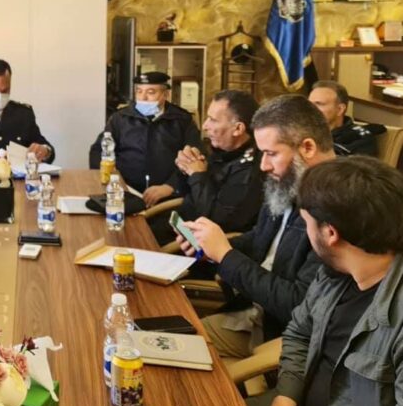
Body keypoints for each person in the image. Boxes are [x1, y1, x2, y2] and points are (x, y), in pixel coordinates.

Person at [248, 156, 403, 406]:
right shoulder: (335, 273)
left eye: (306, 223)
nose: (306, 232)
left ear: (330, 233)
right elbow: (300, 333)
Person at [177, 95, 335, 358]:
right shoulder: (293, 179)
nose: (263, 166)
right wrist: (210, 247)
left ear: (307, 147)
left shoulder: (336, 206)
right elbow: (260, 239)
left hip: (281, 339)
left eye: (271, 154)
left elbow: (298, 304)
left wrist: (226, 255)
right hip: (252, 312)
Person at [89, 71, 201, 207]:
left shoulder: (182, 120)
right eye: (139, 91)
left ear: (166, 94)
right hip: (124, 193)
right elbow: (98, 151)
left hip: (168, 197)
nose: (143, 97)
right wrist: (110, 180)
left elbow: (195, 159)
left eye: (151, 92)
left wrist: (170, 186)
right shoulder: (121, 118)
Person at [174, 89, 263, 233]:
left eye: (213, 120)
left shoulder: (250, 169)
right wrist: (185, 169)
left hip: (202, 240)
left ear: (238, 128)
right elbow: (187, 194)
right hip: (183, 226)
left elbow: (217, 220)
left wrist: (197, 175)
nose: (205, 126)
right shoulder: (224, 152)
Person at [308, 80, 385, 156]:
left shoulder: (361, 140)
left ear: (340, 109)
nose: (310, 109)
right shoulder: (305, 132)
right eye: (309, 104)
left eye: (319, 104)